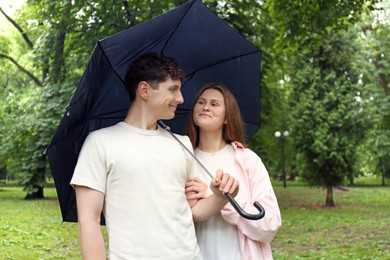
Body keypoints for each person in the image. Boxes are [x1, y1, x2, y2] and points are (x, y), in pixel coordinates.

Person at [70, 53, 239, 259]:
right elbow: (89, 221)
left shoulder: (182, 143)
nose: (181, 98)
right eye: (172, 89)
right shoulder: (100, 142)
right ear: (144, 90)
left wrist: (220, 197)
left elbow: (192, 211)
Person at [186, 83, 282, 260]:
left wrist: (215, 197)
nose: (205, 107)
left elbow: (270, 224)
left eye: (214, 104)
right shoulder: (183, 160)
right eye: (201, 102)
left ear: (226, 118)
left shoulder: (247, 160)